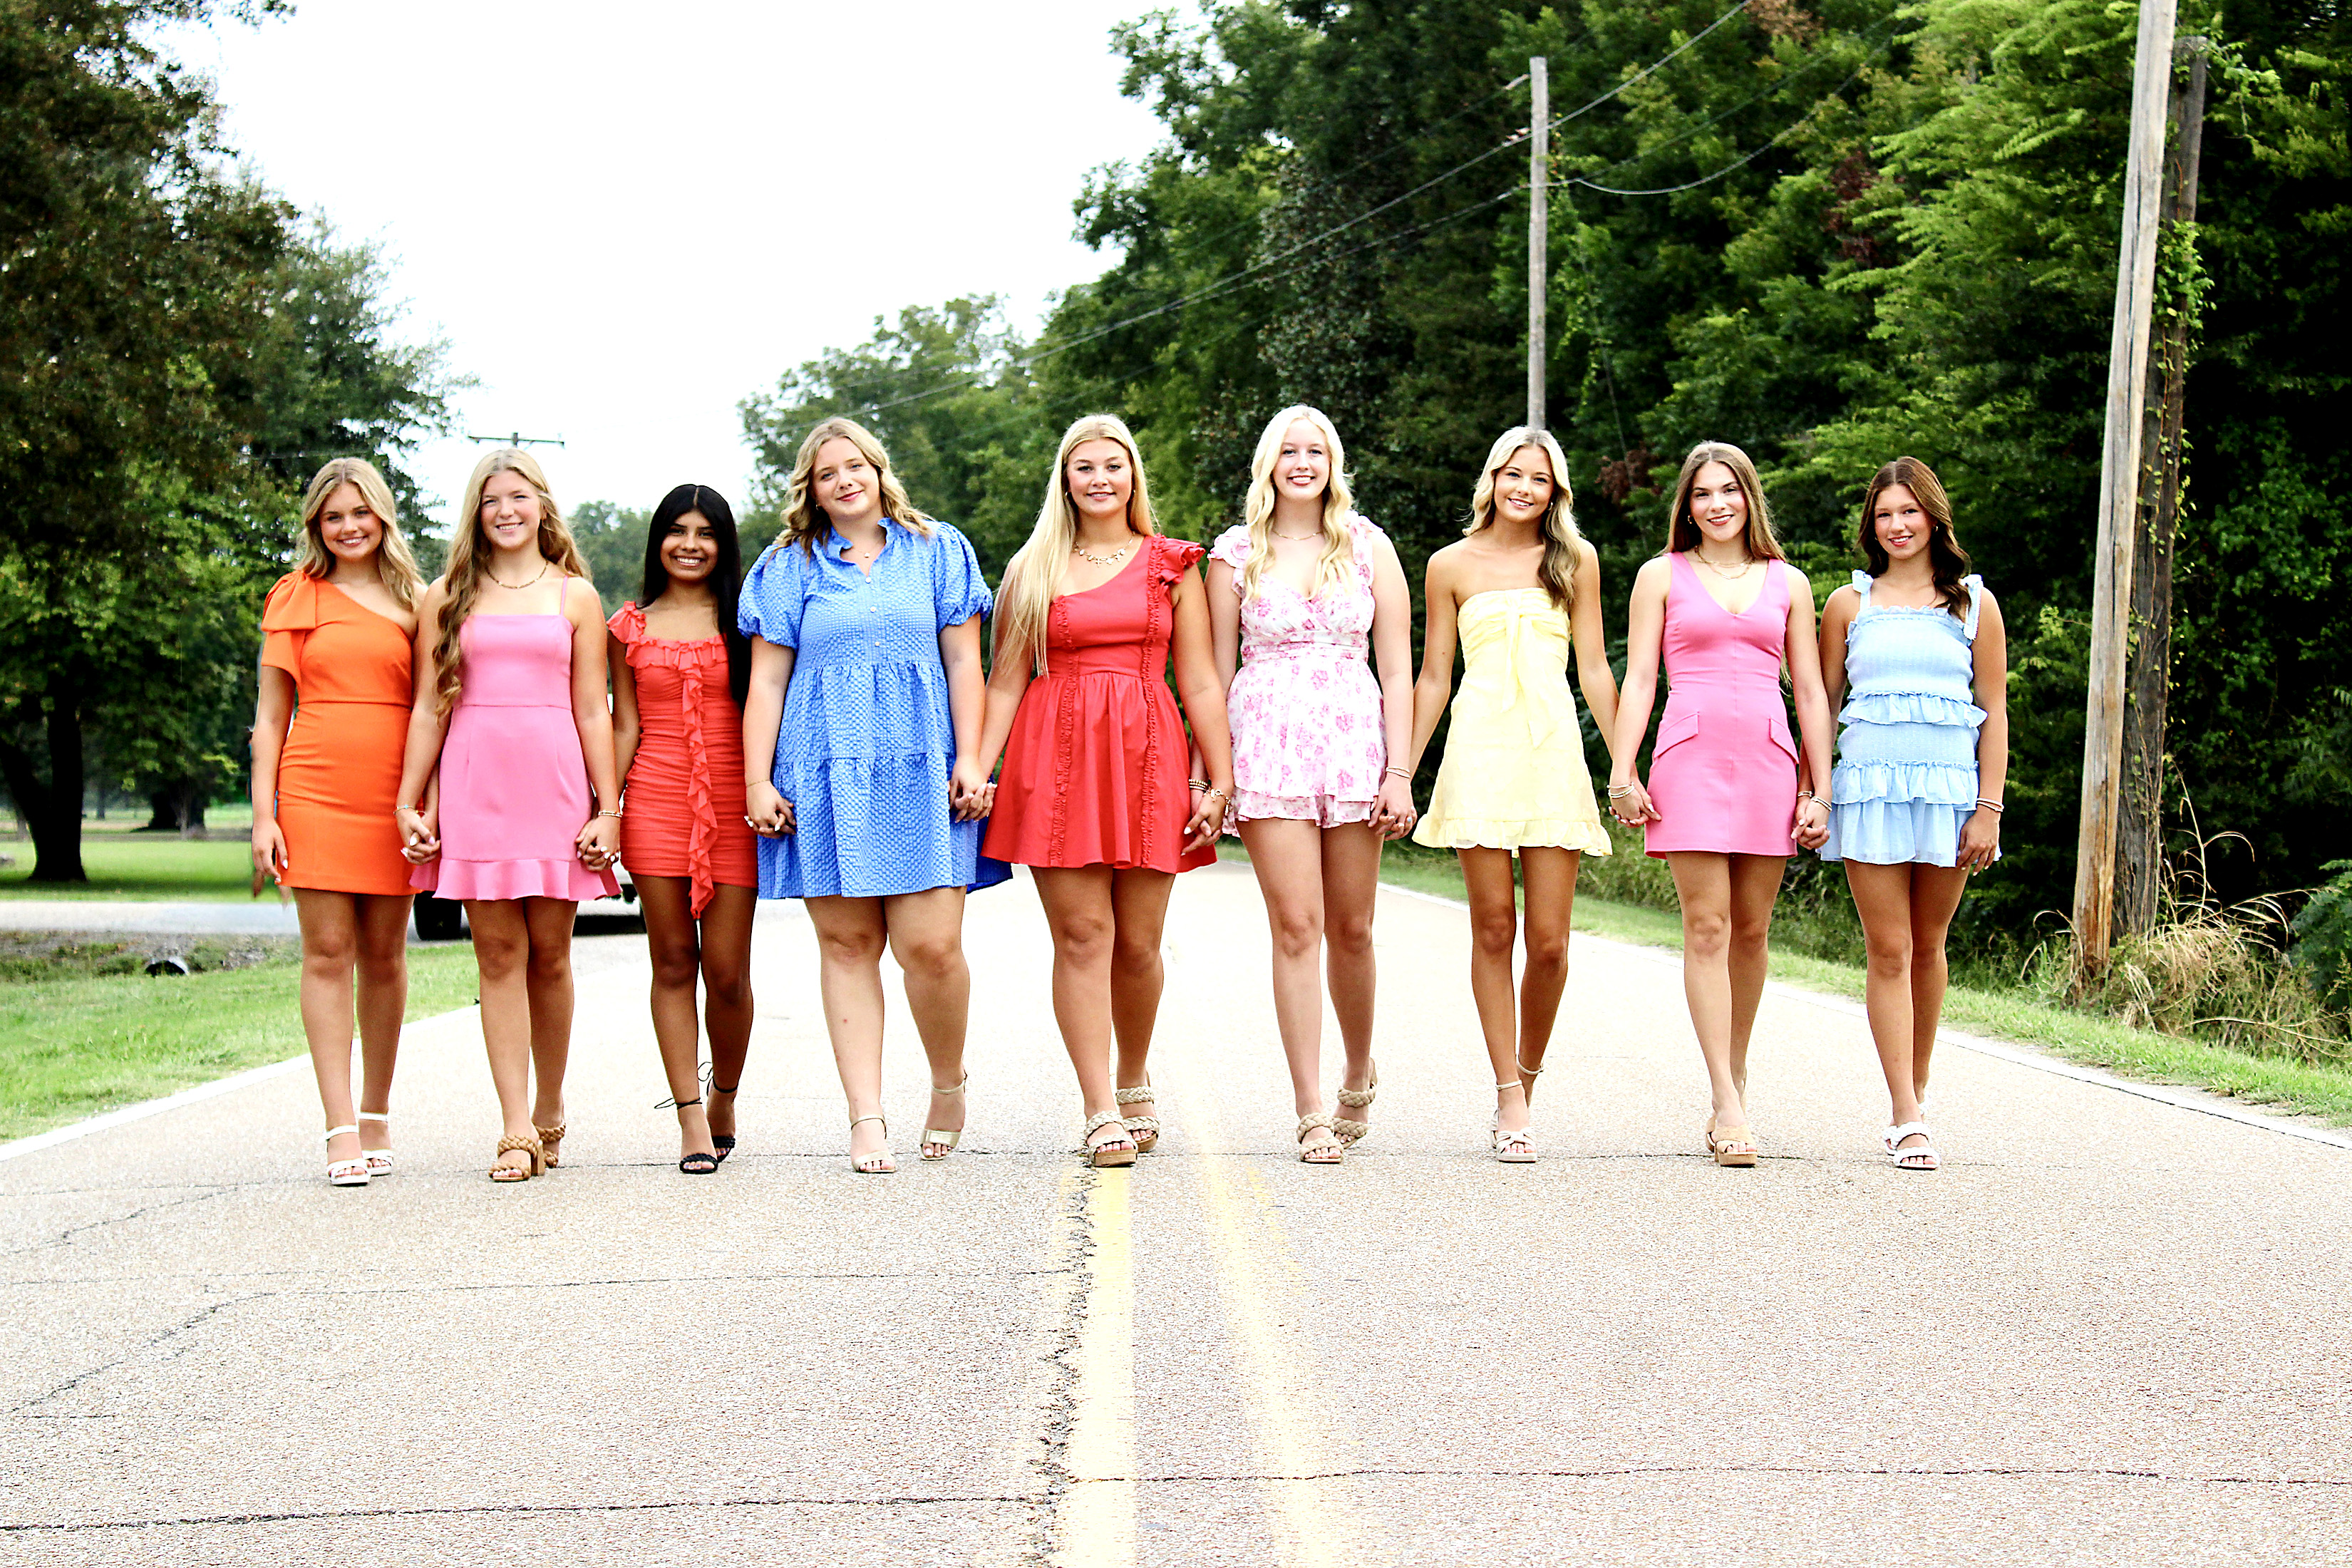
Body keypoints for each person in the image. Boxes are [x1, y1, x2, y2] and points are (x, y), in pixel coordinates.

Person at [954, 413, 1234, 1168]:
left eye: (1115, 464)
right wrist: (977, 763)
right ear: (1065, 480)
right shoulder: (1033, 567)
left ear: (1134, 475)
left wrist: (1217, 778)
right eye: (1085, 466)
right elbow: (1005, 680)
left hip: (1150, 754)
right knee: (1082, 937)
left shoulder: (1172, 564)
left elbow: (1200, 680)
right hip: (1057, 755)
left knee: (1138, 943)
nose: (1101, 478)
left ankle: (1134, 1076)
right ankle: (1099, 1106)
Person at [740, 418, 1001, 1175]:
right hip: (825, 767)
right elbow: (767, 681)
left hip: (923, 765)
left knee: (932, 947)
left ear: (879, 471)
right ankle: (867, 1116)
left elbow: (965, 663)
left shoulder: (938, 549)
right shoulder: (787, 565)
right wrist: (758, 779)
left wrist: (974, 758)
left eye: (855, 465)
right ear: (812, 490)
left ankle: (947, 1084)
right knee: (848, 946)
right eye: (827, 474)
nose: (844, 480)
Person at [394, 449, 621, 1182]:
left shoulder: (576, 596)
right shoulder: (446, 595)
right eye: (491, 500)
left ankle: (550, 1106)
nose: (505, 511)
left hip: (555, 789)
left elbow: (594, 709)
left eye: (518, 497)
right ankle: (515, 1127)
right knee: (497, 956)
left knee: (550, 954)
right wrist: (408, 798)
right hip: (476, 789)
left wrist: (608, 808)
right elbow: (428, 706)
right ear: (476, 512)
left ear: (542, 505)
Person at [1609, 441, 1835, 1167]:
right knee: (1707, 926)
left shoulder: (1789, 581)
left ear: (1749, 498)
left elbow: (1810, 691)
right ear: (1687, 504)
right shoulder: (1660, 575)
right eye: (1703, 493)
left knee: (1752, 930)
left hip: (1768, 759)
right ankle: (1727, 1102)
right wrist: (1622, 769)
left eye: (1729, 491)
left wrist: (1820, 789)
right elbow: (1640, 678)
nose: (1717, 504)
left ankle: (1732, 1077)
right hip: (1690, 755)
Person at [1405, 428, 1622, 1163]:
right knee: (1494, 928)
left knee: (1551, 943)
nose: (1524, 489)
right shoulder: (1449, 564)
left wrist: (1624, 763)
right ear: (1492, 479)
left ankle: (1528, 1073)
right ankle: (1507, 1095)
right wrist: (1401, 773)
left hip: (1552, 754)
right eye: (1513, 474)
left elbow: (1594, 668)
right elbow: (1434, 676)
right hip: (1478, 752)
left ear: (1555, 490)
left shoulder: (1575, 559)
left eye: (1539, 479)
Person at [1206, 406, 1413, 1162]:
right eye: (1288, 450)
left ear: (1333, 463)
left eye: (1315, 450)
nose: (1302, 462)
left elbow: (1398, 667)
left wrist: (1399, 772)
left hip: (1355, 745)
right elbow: (1212, 675)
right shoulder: (1234, 554)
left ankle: (1357, 1073)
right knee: (1296, 926)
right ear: (1268, 463)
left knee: (1352, 928)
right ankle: (1309, 1106)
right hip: (1268, 746)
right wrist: (1213, 774)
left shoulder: (1367, 545)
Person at [1817, 456, 2007, 1172]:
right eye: (1884, 514)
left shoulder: (1974, 605)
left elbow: (1994, 712)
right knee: (1889, 948)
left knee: (1929, 945)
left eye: (1908, 512)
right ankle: (1904, 1113)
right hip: (1869, 792)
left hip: (1951, 796)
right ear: (1871, 526)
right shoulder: (1848, 604)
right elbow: (1823, 706)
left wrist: (1988, 808)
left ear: (1933, 516)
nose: (1897, 525)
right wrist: (1816, 792)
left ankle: (1915, 1091)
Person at [251, 458, 428, 1187]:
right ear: (316, 525)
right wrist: (263, 817)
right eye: (333, 516)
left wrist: (425, 800)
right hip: (314, 789)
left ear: (382, 516)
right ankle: (339, 1125)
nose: (349, 527)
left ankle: (376, 1111)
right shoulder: (294, 596)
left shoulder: (419, 601)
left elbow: (436, 708)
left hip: (396, 794)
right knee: (327, 952)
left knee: (384, 954)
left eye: (360, 512)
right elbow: (270, 717)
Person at [609, 484, 759, 1175]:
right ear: (659, 541)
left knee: (727, 974)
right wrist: (607, 808)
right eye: (678, 530)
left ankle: (724, 1095)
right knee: (672, 961)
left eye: (706, 532)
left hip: (735, 805)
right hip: (655, 802)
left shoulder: (748, 620)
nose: (691, 544)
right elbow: (624, 725)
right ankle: (690, 1117)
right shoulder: (628, 627)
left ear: (724, 545)